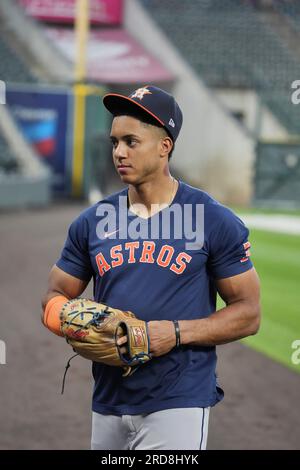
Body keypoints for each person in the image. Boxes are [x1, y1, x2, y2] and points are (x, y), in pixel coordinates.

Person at [41, 85, 261, 450]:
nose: (119, 152)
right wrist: (64, 317)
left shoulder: (211, 220)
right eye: (114, 142)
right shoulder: (92, 221)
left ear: (165, 147)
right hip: (108, 399)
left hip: (178, 400)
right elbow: (55, 293)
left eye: (131, 141)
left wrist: (172, 333)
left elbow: (249, 313)